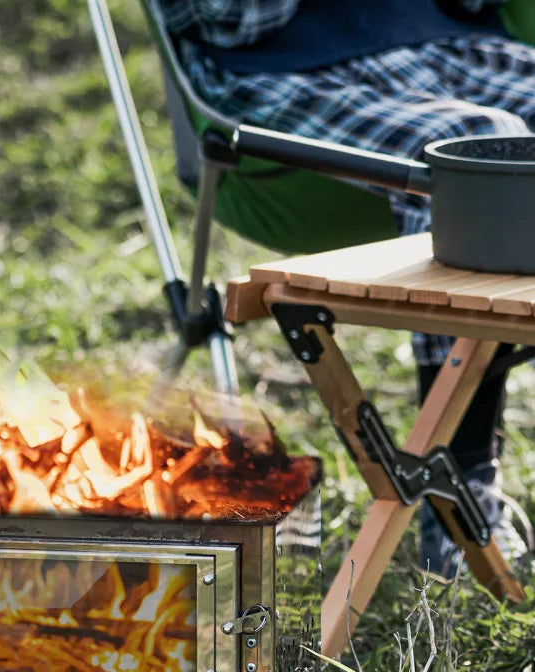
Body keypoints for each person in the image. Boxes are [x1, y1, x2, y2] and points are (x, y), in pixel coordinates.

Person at [157, 0, 532, 576]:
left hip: (452, 41)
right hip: (286, 68)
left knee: (487, 139)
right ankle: (459, 498)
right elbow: (232, 17)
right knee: (479, 146)